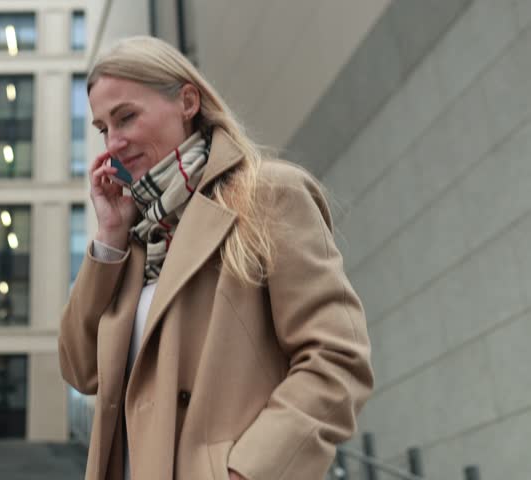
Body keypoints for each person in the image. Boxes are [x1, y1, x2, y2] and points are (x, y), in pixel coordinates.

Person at [58, 36, 374, 480]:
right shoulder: (134, 239)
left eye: (126, 117)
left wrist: (246, 472)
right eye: (103, 128)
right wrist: (109, 237)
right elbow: (79, 368)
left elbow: (337, 359)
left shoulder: (266, 196)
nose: (113, 142)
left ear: (188, 101)